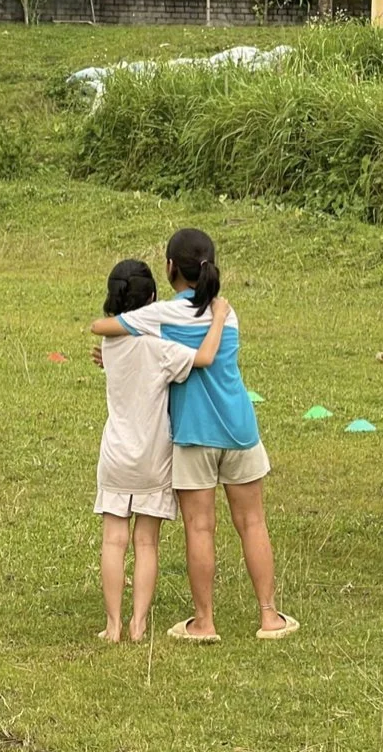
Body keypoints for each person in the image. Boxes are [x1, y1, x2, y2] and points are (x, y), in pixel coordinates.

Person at [90, 229, 294, 642]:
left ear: (169, 268)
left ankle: (204, 622)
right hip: (239, 427)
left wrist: (112, 356)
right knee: (253, 522)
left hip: (193, 433)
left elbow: (108, 328)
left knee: (200, 528)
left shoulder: (160, 315)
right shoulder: (226, 312)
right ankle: (269, 617)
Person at [92, 259, 231, 643]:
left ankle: (113, 625)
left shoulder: (110, 342)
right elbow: (203, 359)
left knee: (113, 541)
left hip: (115, 455)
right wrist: (218, 318)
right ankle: (138, 624)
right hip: (153, 457)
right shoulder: (162, 348)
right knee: (146, 542)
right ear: (152, 300)